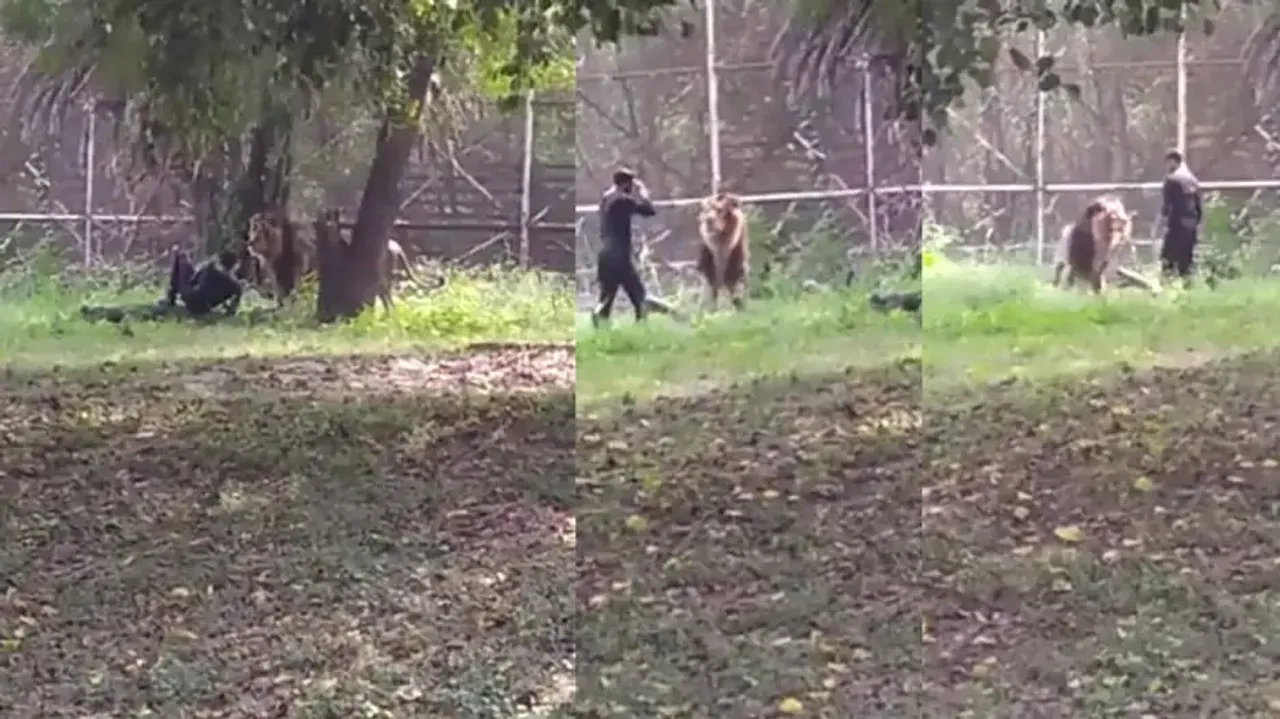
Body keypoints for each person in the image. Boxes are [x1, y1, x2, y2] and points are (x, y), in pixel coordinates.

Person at [591, 168, 676, 326]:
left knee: (607, 297)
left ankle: (599, 320)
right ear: (626, 184)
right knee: (639, 296)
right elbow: (649, 210)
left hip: (605, 254)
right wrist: (642, 192)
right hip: (620, 256)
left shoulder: (606, 197)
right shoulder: (623, 200)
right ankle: (654, 321)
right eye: (631, 184)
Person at [162, 247, 244, 317]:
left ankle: (171, 298)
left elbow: (193, 280)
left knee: (182, 256)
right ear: (234, 266)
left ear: (220, 260)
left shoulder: (210, 267)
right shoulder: (236, 286)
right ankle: (171, 298)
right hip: (206, 307)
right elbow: (232, 310)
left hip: (191, 298)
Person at [1160, 149, 1202, 282]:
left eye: (1168, 163)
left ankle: (1167, 283)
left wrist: (1163, 220)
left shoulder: (1171, 179)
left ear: (1173, 161)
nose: (1167, 167)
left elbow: (1167, 205)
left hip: (1177, 223)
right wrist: (1197, 221)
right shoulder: (1193, 180)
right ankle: (1187, 283)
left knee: (1168, 256)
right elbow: (1199, 204)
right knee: (1186, 256)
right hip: (1191, 223)